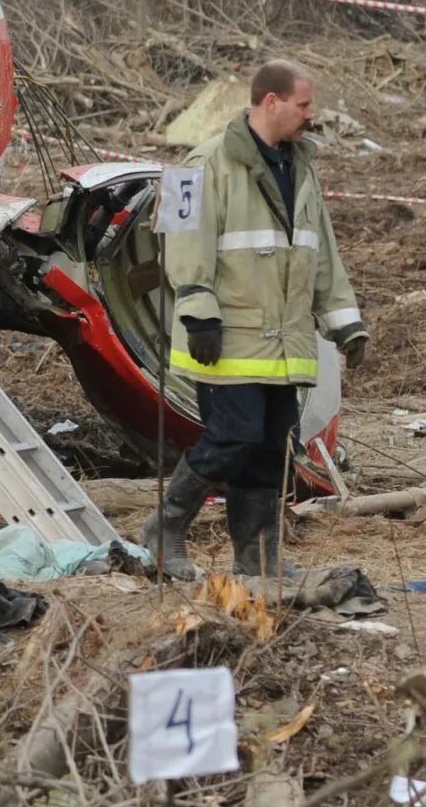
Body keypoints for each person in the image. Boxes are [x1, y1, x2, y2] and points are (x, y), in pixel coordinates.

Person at [139, 59, 367, 578]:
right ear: (271, 102)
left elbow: (320, 253)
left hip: (284, 344)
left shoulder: (302, 168)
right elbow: (178, 239)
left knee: (269, 445)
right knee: (233, 437)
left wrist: (345, 322)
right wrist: (197, 310)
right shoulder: (201, 163)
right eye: (303, 105)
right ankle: (163, 531)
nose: (311, 116)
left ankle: (258, 559)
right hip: (225, 339)